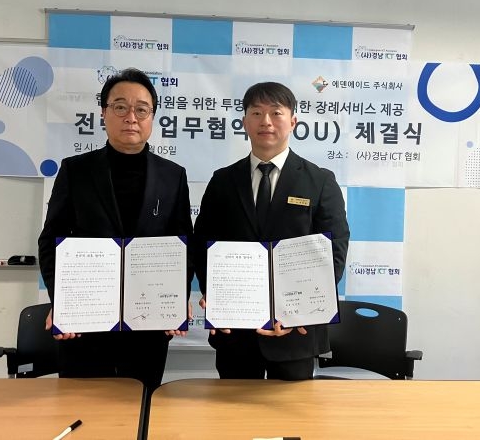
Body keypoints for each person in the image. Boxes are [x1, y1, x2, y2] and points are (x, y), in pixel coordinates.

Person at [38, 67, 193, 391]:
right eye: (120, 107)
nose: (131, 117)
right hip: (85, 324)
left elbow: (183, 245)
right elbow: (51, 241)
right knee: (82, 407)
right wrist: (61, 300)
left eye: (141, 109)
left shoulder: (173, 176)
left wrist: (176, 297)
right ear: (103, 113)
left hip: (148, 325)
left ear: (152, 117)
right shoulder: (75, 171)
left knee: (142, 405)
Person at [193, 81, 350, 381]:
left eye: (276, 113)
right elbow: (203, 245)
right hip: (235, 331)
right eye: (256, 113)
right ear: (245, 122)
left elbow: (334, 253)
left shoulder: (320, 181)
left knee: (291, 410)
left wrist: (300, 309)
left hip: (296, 333)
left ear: (293, 121)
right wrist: (212, 293)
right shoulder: (223, 181)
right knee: (233, 409)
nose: (266, 121)